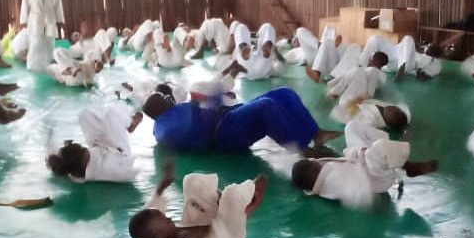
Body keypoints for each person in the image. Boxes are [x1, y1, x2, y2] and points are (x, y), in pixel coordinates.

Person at [128, 164, 276, 238]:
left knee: (192, 181)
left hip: (205, 226)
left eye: (165, 216)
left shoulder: (150, 237)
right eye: (166, 221)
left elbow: (149, 213)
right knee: (233, 194)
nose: (169, 218)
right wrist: (242, 213)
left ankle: (223, 201)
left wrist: (161, 188)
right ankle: (254, 190)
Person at [144, 86, 341, 155]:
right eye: (165, 99)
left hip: (229, 117)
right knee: (266, 106)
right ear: (160, 107)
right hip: (225, 133)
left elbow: (202, 113)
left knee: (283, 93)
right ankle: (301, 149)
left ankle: (316, 133)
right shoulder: (165, 127)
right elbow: (190, 132)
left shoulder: (173, 115)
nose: (169, 98)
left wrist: (212, 100)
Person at [291, 121, 438, 208]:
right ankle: (410, 167)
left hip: (361, 160)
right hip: (374, 177)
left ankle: (391, 147)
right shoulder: (331, 185)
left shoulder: (320, 170)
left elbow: (340, 162)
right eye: (311, 165)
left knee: (351, 127)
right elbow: (357, 193)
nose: (314, 162)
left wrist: (360, 153)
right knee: (380, 148)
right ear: (312, 178)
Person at [47, 103, 143, 182]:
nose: (84, 147)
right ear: (83, 159)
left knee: (84, 115)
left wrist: (50, 134)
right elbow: (132, 172)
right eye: (83, 149)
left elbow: (59, 161)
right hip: (119, 153)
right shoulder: (110, 169)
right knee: (111, 114)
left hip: (99, 146)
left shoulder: (71, 168)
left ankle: (109, 121)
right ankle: (131, 123)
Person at [19, 0, 65, 71]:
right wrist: (23, 21)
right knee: (35, 42)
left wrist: (60, 20)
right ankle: (32, 66)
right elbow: (24, 3)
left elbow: (58, 3)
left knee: (49, 42)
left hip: (50, 17)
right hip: (35, 18)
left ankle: (49, 64)